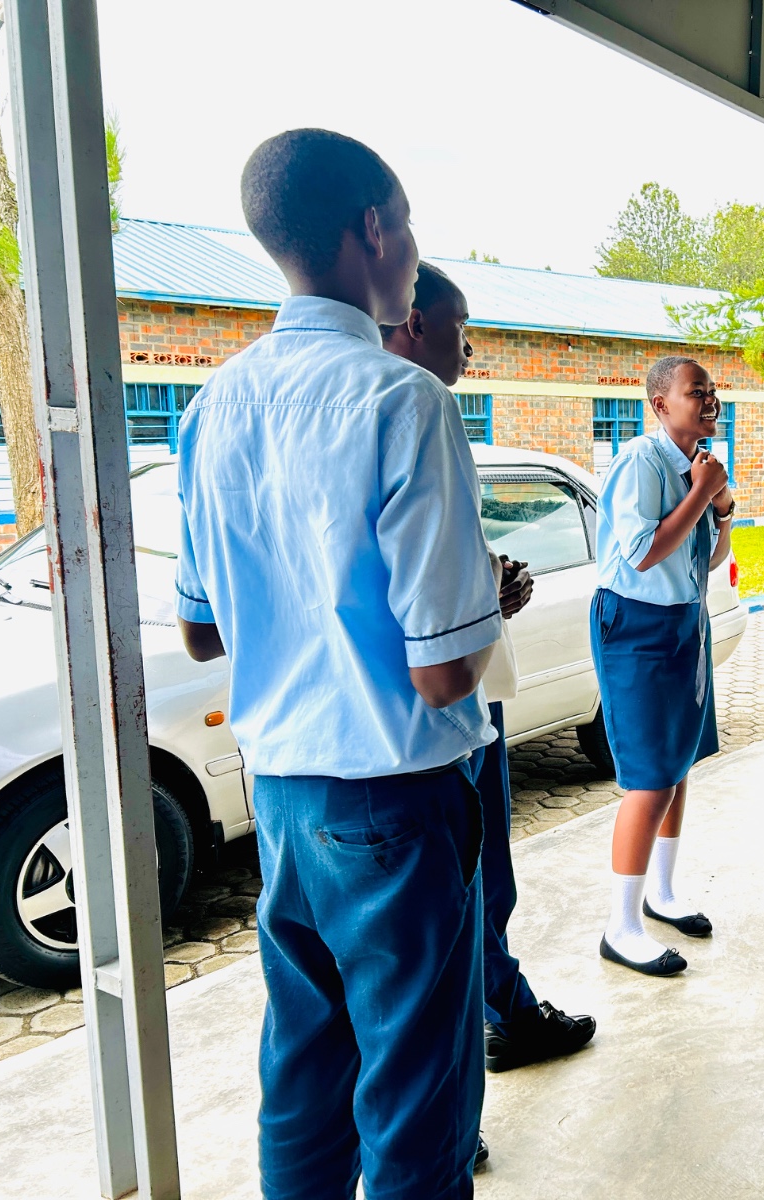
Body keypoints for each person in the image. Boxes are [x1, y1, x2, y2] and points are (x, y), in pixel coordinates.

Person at [176, 129, 499, 1196]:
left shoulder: (212, 405)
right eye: (407, 222)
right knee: (415, 1100)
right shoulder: (406, 401)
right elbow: (443, 673)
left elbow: (201, 631)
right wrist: (475, 603)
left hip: (278, 797)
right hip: (394, 801)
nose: (413, 249)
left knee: (306, 1073)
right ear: (373, 227)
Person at [381, 260, 597, 1073]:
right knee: (462, 895)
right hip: (436, 720)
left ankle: (504, 1008)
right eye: (462, 327)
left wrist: (491, 589)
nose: (470, 349)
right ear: (416, 323)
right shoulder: (411, 413)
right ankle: (493, 1028)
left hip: (460, 702)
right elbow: (416, 619)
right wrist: (482, 603)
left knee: (479, 891)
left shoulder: (421, 423)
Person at [593, 356, 735, 976]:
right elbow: (643, 553)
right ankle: (620, 927)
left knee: (678, 765)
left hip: (684, 621)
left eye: (712, 391)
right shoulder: (640, 463)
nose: (709, 401)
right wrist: (702, 493)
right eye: (695, 392)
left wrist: (720, 508)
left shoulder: (696, 464)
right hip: (637, 627)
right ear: (660, 404)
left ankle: (663, 892)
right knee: (650, 777)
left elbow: (707, 559)